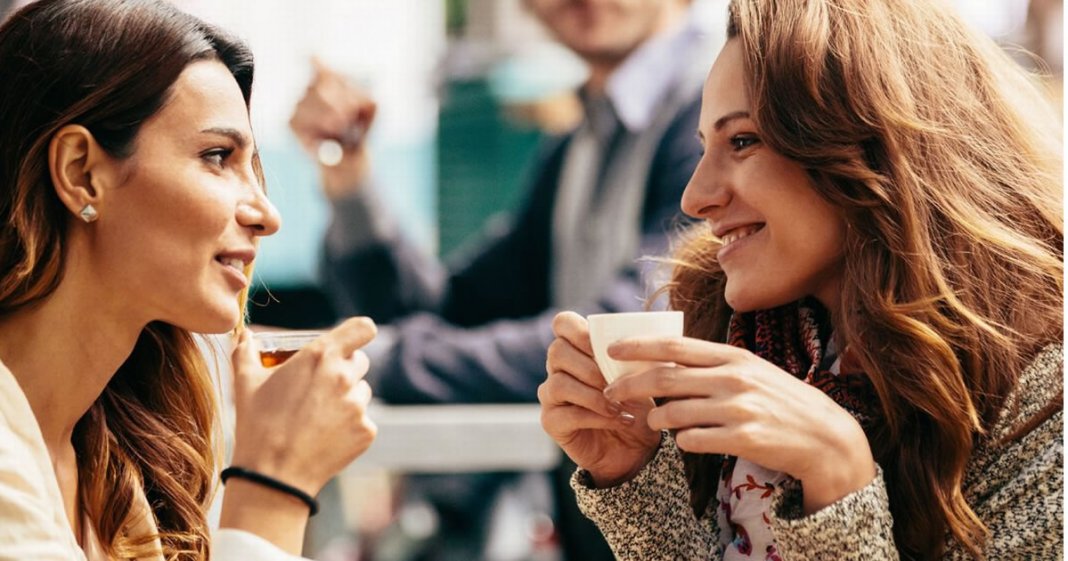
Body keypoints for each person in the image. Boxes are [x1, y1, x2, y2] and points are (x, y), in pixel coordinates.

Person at [539, 0, 1063, 559]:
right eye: (702, 147)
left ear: (871, 144)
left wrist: (837, 473)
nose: (695, 197)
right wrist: (638, 475)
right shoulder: (736, 329)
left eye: (741, 141)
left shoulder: (1044, 395)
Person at [289, 0, 721, 557]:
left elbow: (623, 341)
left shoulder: (717, 114)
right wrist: (348, 179)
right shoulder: (576, 144)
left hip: (700, 523)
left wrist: (391, 360)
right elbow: (451, 305)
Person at [0, 1, 379, 559]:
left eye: (253, 166)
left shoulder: (117, 469)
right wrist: (272, 488)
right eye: (217, 156)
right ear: (81, 173)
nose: (266, 213)